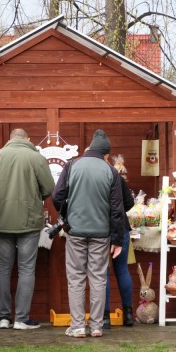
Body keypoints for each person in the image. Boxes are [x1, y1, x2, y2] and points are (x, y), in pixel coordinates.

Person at [0, 128, 55, 330]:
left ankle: (3, 318)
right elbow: (49, 188)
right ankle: (21, 318)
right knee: (26, 269)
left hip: (2, 219)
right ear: (28, 139)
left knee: (3, 267)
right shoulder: (36, 158)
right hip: (29, 220)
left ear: (10, 139)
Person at [52, 129, 124, 338]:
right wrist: (117, 239)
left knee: (76, 279)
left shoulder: (72, 165)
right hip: (101, 234)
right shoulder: (111, 172)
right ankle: (96, 326)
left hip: (75, 232)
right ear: (105, 153)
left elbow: (58, 196)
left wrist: (66, 214)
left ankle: (77, 326)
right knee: (98, 278)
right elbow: (117, 209)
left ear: (91, 148)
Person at [104, 155, 134, 329]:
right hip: (121, 226)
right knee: (122, 270)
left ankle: (105, 316)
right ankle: (128, 314)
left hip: (101, 229)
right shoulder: (116, 175)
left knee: (103, 272)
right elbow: (129, 202)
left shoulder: (94, 176)